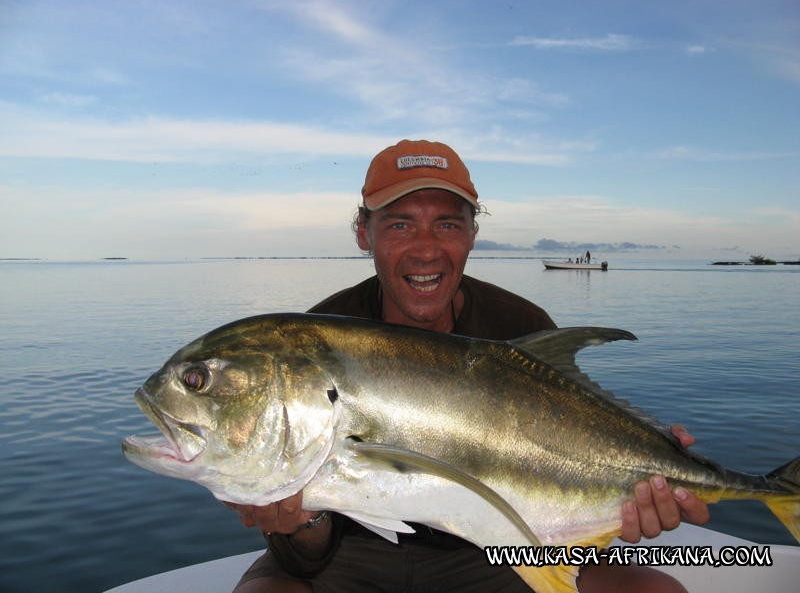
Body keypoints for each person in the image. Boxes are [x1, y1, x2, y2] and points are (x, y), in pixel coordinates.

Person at [230, 140, 710, 593]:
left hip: (502, 542)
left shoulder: (519, 326)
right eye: (399, 225)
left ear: (473, 235)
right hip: (354, 547)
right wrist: (303, 520)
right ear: (364, 233)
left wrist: (641, 473)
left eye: (448, 224)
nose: (426, 249)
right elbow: (303, 559)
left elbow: (566, 463)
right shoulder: (317, 344)